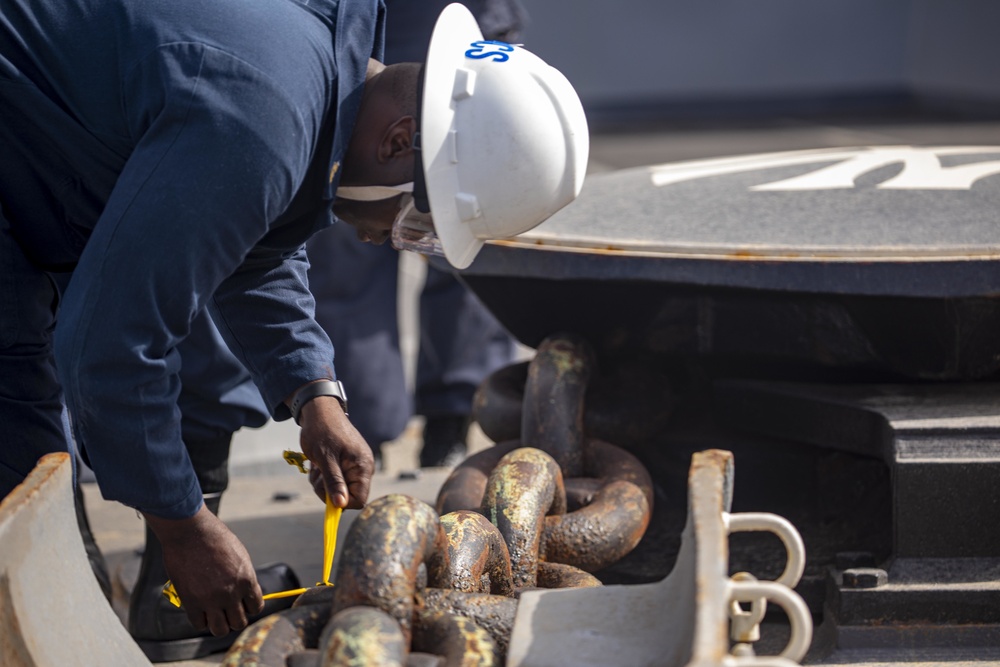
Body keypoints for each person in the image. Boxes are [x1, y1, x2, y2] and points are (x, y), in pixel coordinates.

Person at [0, 0, 587, 660]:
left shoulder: (311, 82)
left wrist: (314, 394)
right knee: (14, 414)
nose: (388, 239)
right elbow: (109, 346)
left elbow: (259, 245)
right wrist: (185, 528)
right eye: (414, 221)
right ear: (397, 142)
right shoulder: (257, 119)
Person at [307, 0, 526, 471]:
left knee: (460, 226)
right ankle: (361, 427)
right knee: (358, 222)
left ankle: (446, 415)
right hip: (366, 20)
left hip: (456, 23)